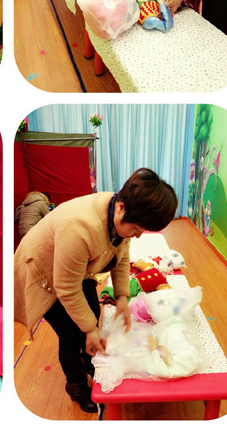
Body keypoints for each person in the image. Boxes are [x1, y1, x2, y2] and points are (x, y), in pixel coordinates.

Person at [14, 168, 177, 413]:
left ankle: (88, 358)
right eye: (136, 229)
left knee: (92, 312)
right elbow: (66, 288)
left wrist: (122, 297)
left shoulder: (120, 212)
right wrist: (90, 330)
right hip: (43, 276)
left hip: (76, 269)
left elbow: (121, 256)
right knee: (71, 334)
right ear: (121, 208)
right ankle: (76, 385)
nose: (138, 235)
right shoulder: (79, 227)